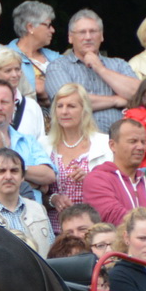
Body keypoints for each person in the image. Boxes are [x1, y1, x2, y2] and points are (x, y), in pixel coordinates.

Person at [43, 9, 137, 133]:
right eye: (82, 32)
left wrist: (100, 69)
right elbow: (69, 102)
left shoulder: (119, 64)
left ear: (102, 36)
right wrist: (115, 100)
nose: (88, 37)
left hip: (120, 141)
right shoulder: (58, 67)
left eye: (93, 31)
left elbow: (138, 94)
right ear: (70, 38)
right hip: (79, 142)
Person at [81, 119, 146, 240]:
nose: (140, 147)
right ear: (112, 145)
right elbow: (116, 218)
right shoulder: (96, 180)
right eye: (133, 141)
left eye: (143, 142)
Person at [41, 83, 111, 215]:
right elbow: (35, 193)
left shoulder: (104, 144)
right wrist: (53, 199)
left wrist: (91, 180)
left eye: (71, 106)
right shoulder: (43, 145)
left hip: (93, 225)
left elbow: (117, 187)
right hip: (54, 227)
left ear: (84, 110)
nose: (64, 111)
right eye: (60, 106)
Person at [0, 79, 55, 192]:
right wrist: (34, 183)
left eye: (4, 102)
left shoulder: (28, 141)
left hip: (30, 208)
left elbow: (49, 175)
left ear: (14, 105)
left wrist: (16, 168)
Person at [0, 148, 53, 255]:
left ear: (22, 177)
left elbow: (51, 254)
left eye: (14, 171)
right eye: (1, 171)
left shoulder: (39, 210)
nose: (8, 176)